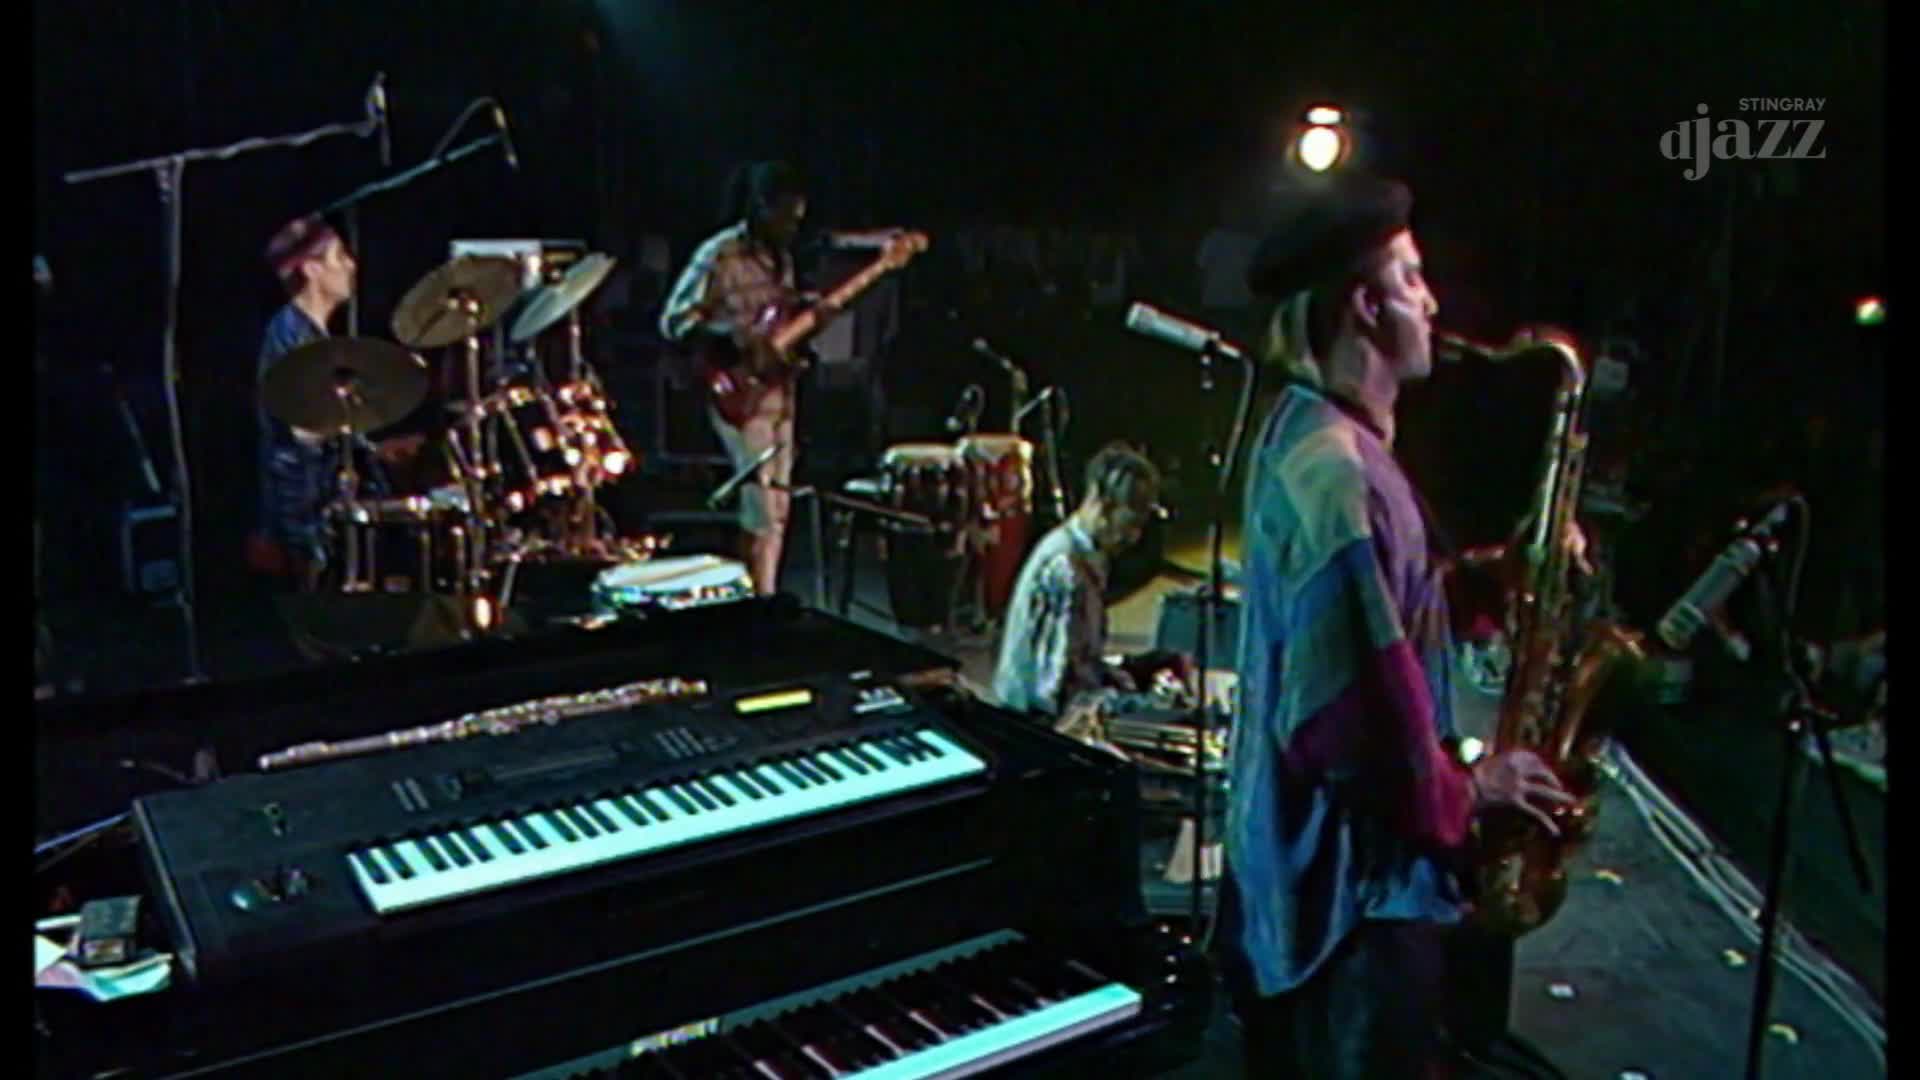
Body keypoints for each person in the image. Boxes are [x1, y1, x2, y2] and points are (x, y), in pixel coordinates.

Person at [1218, 173, 1575, 1077]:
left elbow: (1384, 615)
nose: (1434, 302)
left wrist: (1497, 580)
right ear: (1367, 307)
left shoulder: (1314, 438)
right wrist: (1476, 788)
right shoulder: (1340, 477)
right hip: (1355, 921)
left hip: (1338, 906)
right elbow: (1351, 731)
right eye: (1412, 279)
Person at [659, 161, 833, 596]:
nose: (792, 227)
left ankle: (762, 595)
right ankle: (756, 602)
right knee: (760, 506)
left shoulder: (782, 261)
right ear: (760, 206)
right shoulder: (720, 255)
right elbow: (674, 320)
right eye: (785, 217)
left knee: (778, 506)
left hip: (779, 393)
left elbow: (777, 329)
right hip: (737, 391)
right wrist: (733, 339)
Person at [246, 215, 418, 588]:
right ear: (311, 269)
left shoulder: (312, 335)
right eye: (339, 256)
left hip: (318, 502)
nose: (351, 265)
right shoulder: (290, 336)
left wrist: (374, 450)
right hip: (301, 511)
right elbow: (303, 430)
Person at [990, 442, 1190, 730]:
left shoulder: (1088, 554)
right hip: (1031, 727)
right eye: (1131, 523)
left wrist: (1119, 679)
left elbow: (1079, 662)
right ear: (1101, 502)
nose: (1134, 537)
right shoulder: (1066, 567)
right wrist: (1130, 703)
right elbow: (1054, 693)